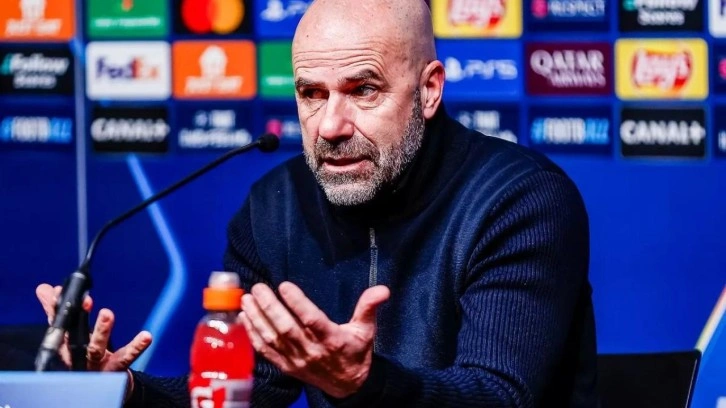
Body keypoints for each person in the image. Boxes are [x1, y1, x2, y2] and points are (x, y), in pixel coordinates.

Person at [36, 0, 598, 406]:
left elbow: (499, 395)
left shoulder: (519, 200)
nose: (330, 125)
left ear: (428, 90)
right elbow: (251, 388)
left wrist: (364, 382)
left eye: (363, 90)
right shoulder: (275, 207)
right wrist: (125, 390)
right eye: (311, 93)